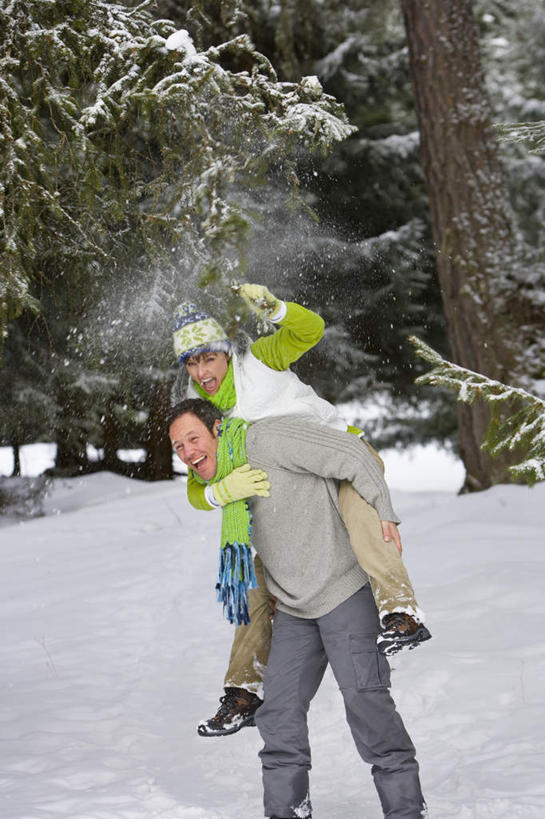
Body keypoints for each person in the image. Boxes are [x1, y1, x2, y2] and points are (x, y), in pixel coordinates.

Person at [172, 283, 430, 737]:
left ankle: (401, 611)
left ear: (226, 354)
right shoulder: (209, 410)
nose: (201, 369)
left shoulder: (260, 363)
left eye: (208, 358)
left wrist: (277, 309)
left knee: (359, 512)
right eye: (191, 362)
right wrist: (219, 492)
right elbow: (197, 482)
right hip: (293, 487)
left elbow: (309, 331)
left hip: (337, 457)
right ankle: (243, 690)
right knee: (254, 572)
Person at [168, 399, 427, 819]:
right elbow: (197, 493)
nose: (187, 453)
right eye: (178, 447)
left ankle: (406, 812)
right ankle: (286, 812)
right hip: (292, 609)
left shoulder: (266, 439)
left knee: (367, 704)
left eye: (193, 438)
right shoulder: (223, 481)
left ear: (218, 428)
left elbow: (352, 453)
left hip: (343, 592)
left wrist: (384, 511)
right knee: (278, 715)